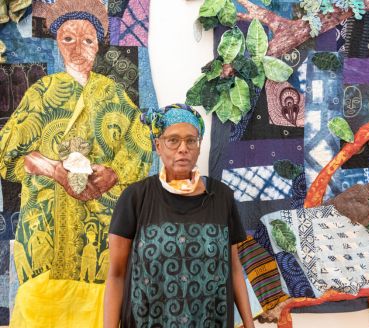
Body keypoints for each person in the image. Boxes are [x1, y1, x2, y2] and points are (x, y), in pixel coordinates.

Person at [0, 0, 152, 326]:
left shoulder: (114, 95)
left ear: (98, 45)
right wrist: (54, 170)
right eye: (68, 39)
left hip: (101, 236)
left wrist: (113, 173)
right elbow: (8, 156)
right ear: (57, 42)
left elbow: (141, 150)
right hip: (46, 232)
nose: (78, 48)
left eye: (87, 40)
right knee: (39, 306)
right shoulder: (41, 93)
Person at [104, 104, 255, 328]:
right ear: (158, 145)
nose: (182, 148)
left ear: (199, 146)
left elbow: (233, 268)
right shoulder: (136, 198)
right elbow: (117, 274)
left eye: (190, 140)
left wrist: (249, 325)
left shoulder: (221, 197)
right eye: (173, 140)